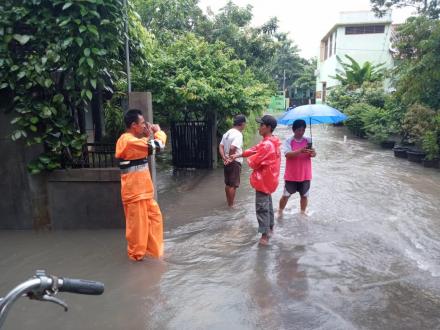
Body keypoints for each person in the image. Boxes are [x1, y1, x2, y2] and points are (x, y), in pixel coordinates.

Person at [115, 109, 167, 261]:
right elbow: (157, 146)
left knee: (154, 223)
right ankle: (137, 263)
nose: (145, 125)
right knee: (137, 235)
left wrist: (147, 135)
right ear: (133, 125)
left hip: (145, 193)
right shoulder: (127, 140)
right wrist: (159, 132)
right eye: (142, 123)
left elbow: (145, 148)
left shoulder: (134, 141)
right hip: (134, 195)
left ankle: (154, 257)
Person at [230, 115, 281, 245]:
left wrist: (247, 159)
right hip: (270, 180)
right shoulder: (271, 141)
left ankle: (264, 237)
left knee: (261, 207)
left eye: (261, 125)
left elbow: (254, 162)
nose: (259, 127)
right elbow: (254, 149)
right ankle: (270, 229)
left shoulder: (267, 145)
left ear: (268, 127)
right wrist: (239, 154)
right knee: (268, 204)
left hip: (263, 180)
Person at [278, 119, 316, 216]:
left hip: (305, 174)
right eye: (299, 130)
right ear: (294, 130)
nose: (301, 132)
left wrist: (313, 153)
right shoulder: (288, 141)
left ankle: (302, 213)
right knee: (286, 195)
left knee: (304, 196)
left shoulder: (308, 140)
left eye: (303, 130)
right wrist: (300, 151)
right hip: (292, 174)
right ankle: (280, 212)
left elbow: (313, 154)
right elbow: (287, 155)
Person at [219, 114, 247, 207]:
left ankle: (228, 203)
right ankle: (231, 206)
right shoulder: (238, 134)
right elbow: (233, 147)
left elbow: (221, 146)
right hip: (234, 161)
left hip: (226, 161)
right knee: (233, 185)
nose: (245, 125)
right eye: (245, 124)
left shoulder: (227, 133)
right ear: (242, 124)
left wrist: (224, 157)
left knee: (228, 183)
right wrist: (231, 158)